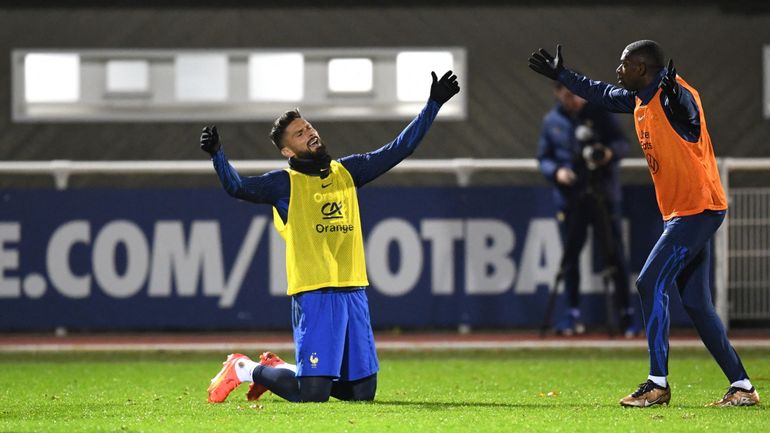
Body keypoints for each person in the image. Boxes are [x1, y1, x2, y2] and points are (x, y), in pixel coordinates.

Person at [202, 70, 460, 404]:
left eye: (308, 127)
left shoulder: (347, 172)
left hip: (353, 288)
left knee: (362, 394)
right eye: (298, 133)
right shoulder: (284, 184)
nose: (309, 132)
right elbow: (237, 187)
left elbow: (400, 149)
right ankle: (245, 368)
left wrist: (433, 104)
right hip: (315, 294)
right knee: (312, 395)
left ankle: (287, 369)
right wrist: (218, 156)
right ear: (287, 151)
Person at [528, 40, 760, 407]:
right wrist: (561, 74)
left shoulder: (674, 95)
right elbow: (599, 93)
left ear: (642, 68)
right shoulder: (640, 99)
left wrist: (675, 94)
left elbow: (689, 114)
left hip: (696, 210)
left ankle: (657, 383)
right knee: (697, 304)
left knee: (649, 282)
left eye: (624, 65)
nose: (618, 71)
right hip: (687, 211)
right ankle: (743, 387)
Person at [537, 81, 638, 337]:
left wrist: (608, 153)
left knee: (614, 256)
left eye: (578, 95)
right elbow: (544, 158)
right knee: (569, 258)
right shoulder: (552, 121)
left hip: (603, 195)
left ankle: (626, 315)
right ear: (558, 94)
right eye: (569, 95)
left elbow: (623, 144)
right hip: (571, 198)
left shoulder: (601, 112)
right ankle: (570, 315)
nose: (575, 101)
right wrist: (557, 172)